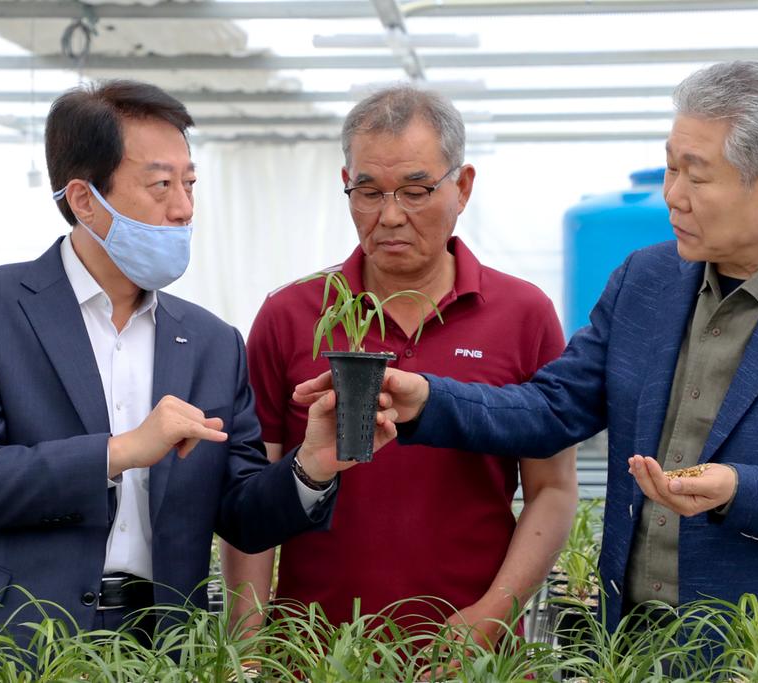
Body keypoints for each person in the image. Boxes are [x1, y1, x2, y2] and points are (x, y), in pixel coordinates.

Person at [297, 61, 758, 677]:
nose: (672, 193)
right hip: (636, 650)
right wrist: (428, 399)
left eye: (695, 176)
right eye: (671, 165)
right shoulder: (646, 282)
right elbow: (551, 409)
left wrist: (741, 490)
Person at [0, 80, 395, 669]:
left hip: (157, 646)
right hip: (5, 640)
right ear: (85, 200)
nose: (184, 208)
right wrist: (120, 451)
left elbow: (241, 513)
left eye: (190, 183)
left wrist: (312, 465)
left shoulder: (212, 342)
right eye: (161, 184)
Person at [222, 85, 577, 645]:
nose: (389, 216)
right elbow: (249, 496)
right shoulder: (290, 313)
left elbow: (552, 488)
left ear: (462, 187)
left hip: (471, 655)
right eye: (367, 191)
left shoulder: (523, 314)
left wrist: (492, 615)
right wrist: (244, 644)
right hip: (313, 652)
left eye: (415, 191)